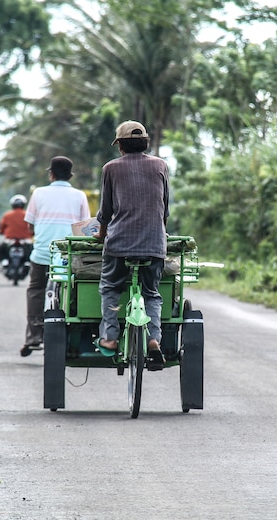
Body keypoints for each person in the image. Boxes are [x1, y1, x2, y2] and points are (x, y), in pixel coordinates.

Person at [93, 120, 169, 371]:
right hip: (154, 242)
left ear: (121, 146)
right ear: (144, 143)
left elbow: (105, 211)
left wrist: (101, 234)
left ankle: (111, 338)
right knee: (151, 293)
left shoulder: (111, 169)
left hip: (119, 243)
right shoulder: (160, 165)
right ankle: (154, 339)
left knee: (110, 287)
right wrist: (160, 233)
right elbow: (164, 209)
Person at [20, 156, 90, 357]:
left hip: (43, 253)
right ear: (70, 176)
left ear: (51, 174)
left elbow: (30, 225)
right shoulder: (79, 196)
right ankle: (74, 340)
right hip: (69, 256)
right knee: (75, 291)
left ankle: (34, 337)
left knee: (36, 290)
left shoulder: (38, 193)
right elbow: (84, 228)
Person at [0, 194, 33, 261]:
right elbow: (32, 228)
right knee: (33, 252)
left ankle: (4, 261)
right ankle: (27, 262)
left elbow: (1, 229)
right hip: (26, 240)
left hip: (9, 240)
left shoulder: (7, 215)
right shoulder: (28, 215)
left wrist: (1, 232)